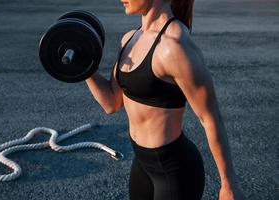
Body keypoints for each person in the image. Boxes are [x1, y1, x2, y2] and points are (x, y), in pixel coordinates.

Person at [85, 0, 246, 199]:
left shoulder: (175, 47)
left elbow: (210, 117)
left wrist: (228, 184)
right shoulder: (129, 39)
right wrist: (84, 68)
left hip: (175, 171)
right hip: (142, 165)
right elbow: (112, 103)